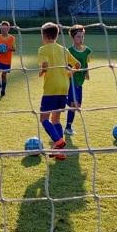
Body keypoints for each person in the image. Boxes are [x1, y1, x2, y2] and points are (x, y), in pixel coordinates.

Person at [37, 22, 78, 159]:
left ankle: (58, 140)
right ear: (57, 35)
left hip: (51, 88)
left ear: (44, 36)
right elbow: (77, 64)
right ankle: (60, 152)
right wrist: (69, 73)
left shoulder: (43, 49)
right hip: (63, 87)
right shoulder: (63, 49)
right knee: (56, 119)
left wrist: (42, 72)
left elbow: (45, 65)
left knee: (43, 118)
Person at [65, 24, 92, 135]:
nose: (81, 39)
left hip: (80, 80)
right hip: (71, 80)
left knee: (78, 105)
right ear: (72, 37)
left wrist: (87, 73)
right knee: (74, 104)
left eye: (82, 36)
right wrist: (69, 72)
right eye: (78, 37)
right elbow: (65, 65)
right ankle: (68, 127)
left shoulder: (86, 51)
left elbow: (86, 63)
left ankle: (62, 100)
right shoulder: (69, 51)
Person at [0, 20, 16, 96]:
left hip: (7, 60)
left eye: (5, 28)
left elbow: (14, 49)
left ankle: (3, 89)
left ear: (8, 29)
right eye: (1, 28)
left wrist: (9, 48)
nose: (3, 30)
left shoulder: (12, 38)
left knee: (3, 75)